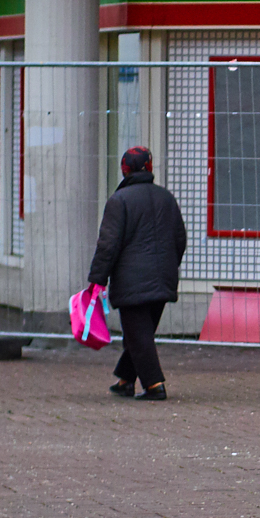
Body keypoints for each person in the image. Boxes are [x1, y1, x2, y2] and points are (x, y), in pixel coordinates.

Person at [88, 146, 187, 401]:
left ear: (125, 169)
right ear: (149, 167)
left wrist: (97, 279)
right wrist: (169, 265)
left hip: (131, 280)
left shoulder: (119, 201)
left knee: (138, 333)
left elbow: (108, 245)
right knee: (141, 332)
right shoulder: (166, 197)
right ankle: (125, 380)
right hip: (164, 276)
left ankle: (154, 385)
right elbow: (180, 238)